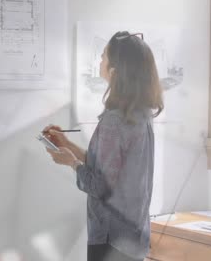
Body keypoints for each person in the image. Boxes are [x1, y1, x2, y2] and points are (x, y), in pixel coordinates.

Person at [44, 31, 163, 261]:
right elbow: (109, 169)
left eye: (103, 56)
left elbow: (101, 187)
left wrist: (72, 162)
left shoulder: (115, 120)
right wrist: (68, 145)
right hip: (134, 238)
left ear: (115, 71)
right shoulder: (141, 114)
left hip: (111, 241)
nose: (100, 61)